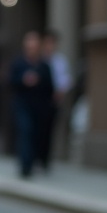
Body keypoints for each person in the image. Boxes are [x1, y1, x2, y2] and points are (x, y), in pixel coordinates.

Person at [9, 30, 53, 179]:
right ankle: (25, 166)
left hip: (40, 107)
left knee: (37, 135)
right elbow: (10, 82)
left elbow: (50, 87)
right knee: (26, 132)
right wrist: (23, 80)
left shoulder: (44, 66)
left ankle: (37, 161)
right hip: (23, 105)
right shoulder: (18, 63)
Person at [37, 30, 72, 170]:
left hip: (53, 101)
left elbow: (66, 79)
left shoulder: (60, 61)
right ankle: (37, 157)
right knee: (36, 130)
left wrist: (61, 91)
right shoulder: (39, 60)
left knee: (49, 130)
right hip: (39, 100)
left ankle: (45, 159)